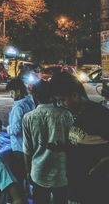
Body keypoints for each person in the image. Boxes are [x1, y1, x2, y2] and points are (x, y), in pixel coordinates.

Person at [50, 72, 109, 203]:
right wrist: (63, 147)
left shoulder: (98, 115)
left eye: (62, 100)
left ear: (75, 96)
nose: (61, 104)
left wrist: (105, 162)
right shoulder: (76, 114)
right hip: (77, 187)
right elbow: (83, 147)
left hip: (95, 190)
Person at [22, 80, 73, 204]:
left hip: (38, 172)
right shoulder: (66, 115)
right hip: (61, 173)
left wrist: (28, 172)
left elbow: (27, 150)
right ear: (52, 96)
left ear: (34, 96)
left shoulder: (28, 117)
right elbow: (72, 144)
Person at [6, 78, 35, 186]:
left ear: (18, 91)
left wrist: (7, 128)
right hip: (28, 143)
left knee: (19, 175)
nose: (11, 95)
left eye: (11, 92)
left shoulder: (19, 106)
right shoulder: (29, 101)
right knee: (26, 172)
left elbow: (15, 129)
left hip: (18, 146)